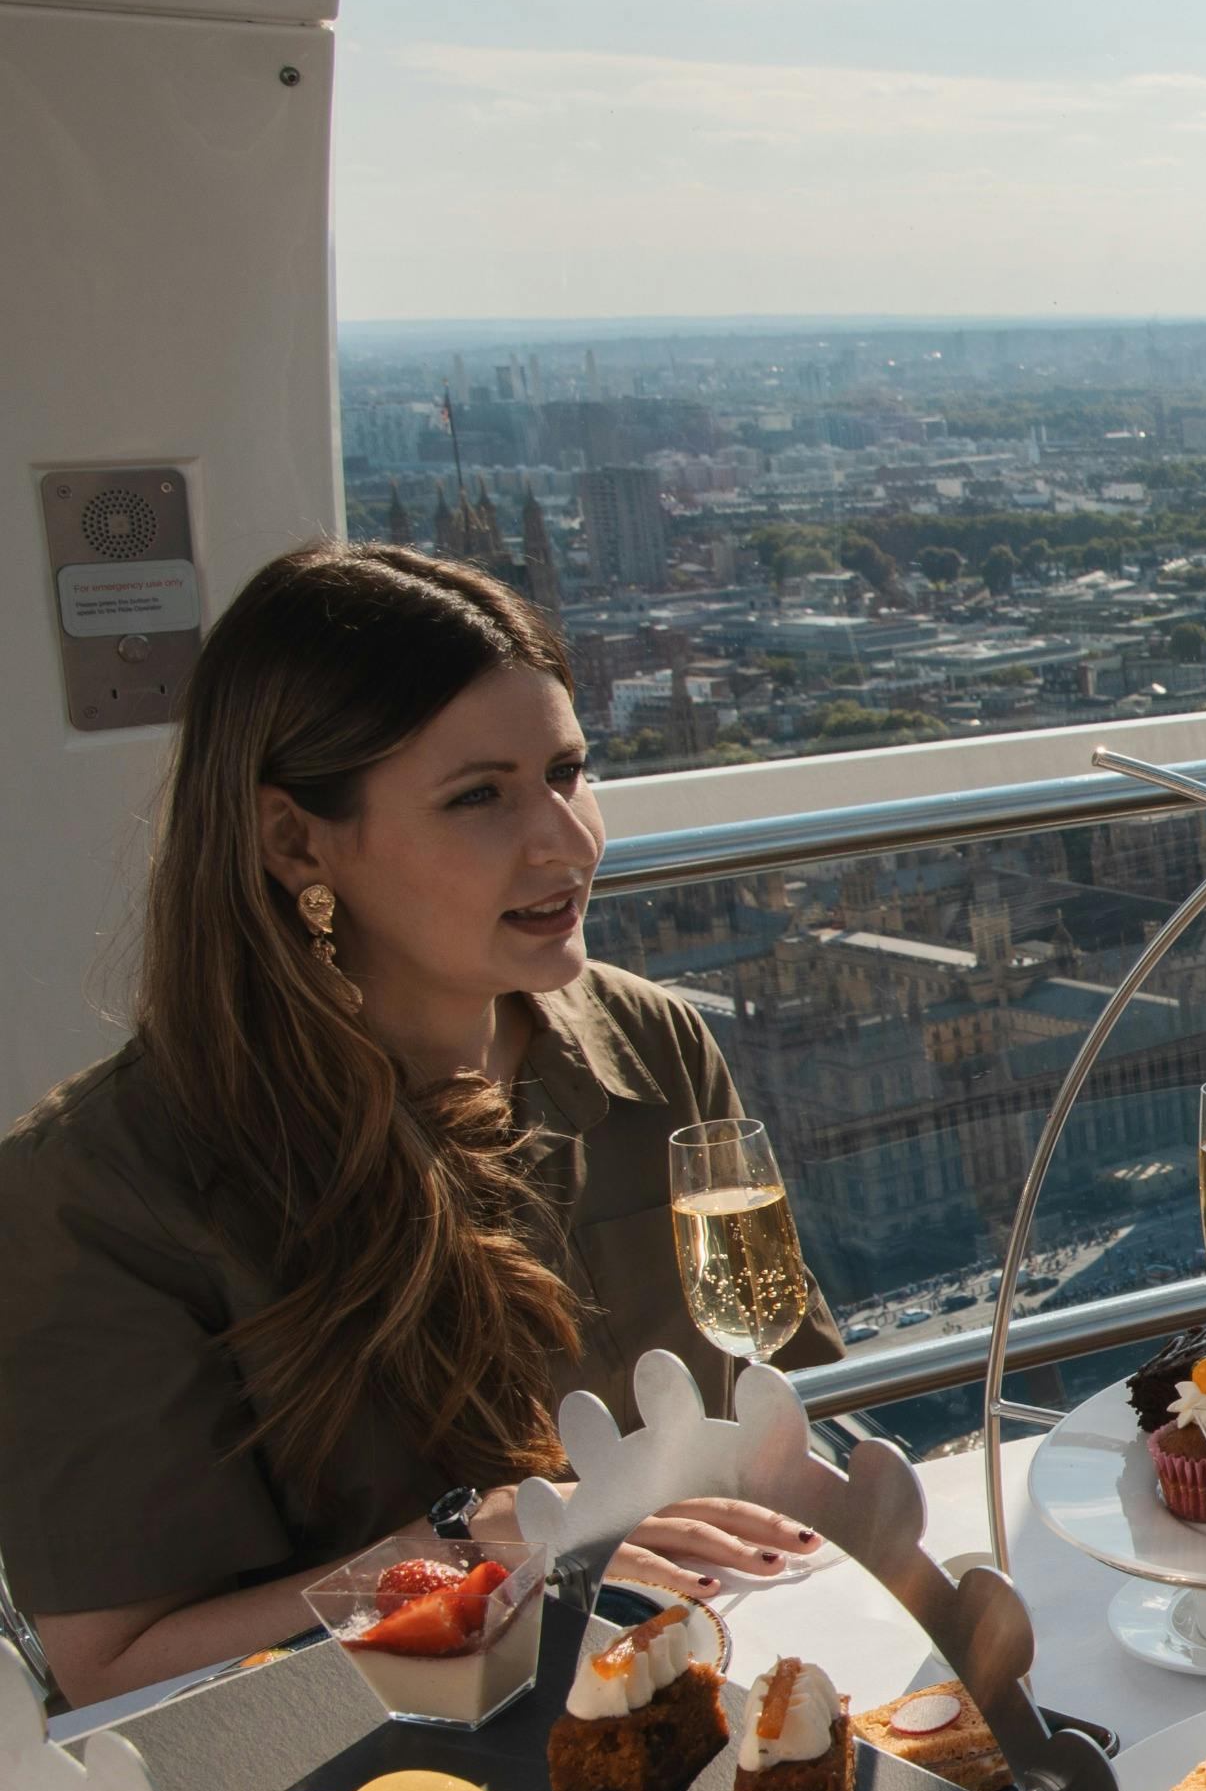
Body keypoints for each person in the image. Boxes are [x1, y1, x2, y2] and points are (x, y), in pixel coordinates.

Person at [0, 544, 837, 1708]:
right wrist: (466, 1549)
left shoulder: (654, 1046)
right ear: (296, 843)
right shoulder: (91, 1193)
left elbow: (783, 1413)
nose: (567, 841)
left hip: (712, 1690)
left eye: (568, 771)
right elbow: (116, 1670)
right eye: (479, 796)